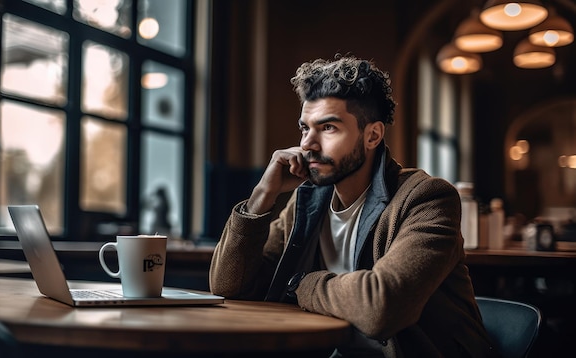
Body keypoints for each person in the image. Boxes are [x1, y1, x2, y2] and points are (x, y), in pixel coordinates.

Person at [209, 54, 495, 357]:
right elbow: (229, 287)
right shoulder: (307, 200)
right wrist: (261, 197)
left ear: (372, 135)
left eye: (328, 128)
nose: (308, 143)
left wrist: (301, 284)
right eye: (305, 128)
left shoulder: (426, 198)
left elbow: (381, 308)